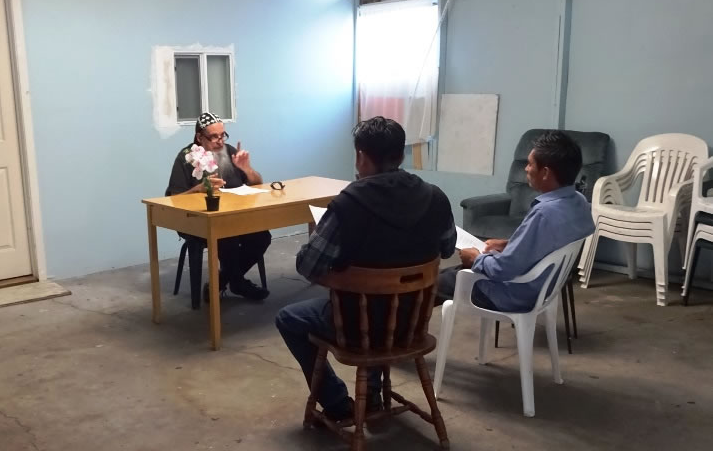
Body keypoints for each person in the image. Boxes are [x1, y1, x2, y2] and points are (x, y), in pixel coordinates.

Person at [275, 116, 456, 421]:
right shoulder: (435, 197)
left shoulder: (348, 205)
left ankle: (336, 403)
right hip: (410, 323)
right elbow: (448, 247)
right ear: (400, 155)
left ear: (361, 156)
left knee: (289, 318)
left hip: (356, 326)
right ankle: (371, 391)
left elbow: (307, 265)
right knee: (379, 306)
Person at [437, 130, 595, 312]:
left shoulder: (544, 213)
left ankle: (414, 327)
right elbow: (548, 243)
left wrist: (476, 258)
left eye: (530, 164)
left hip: (511, 293)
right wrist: (508, 245)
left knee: (431, 284)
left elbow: (503, 269)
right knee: (446, 274)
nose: (526, 169)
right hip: (544, 288)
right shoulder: (579, 202)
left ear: (545, 172)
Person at [166, 112, 270, 301]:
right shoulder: (186, 158)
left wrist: (247, 169)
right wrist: (198, 189)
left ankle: (222, 281)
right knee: (226, 237)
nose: (220, 141)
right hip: (197, 220)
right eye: (214, 137)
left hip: (234, 216)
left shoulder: (229, 151)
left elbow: (257, 183)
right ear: (199, 137)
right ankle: (237, 283)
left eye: (223, 135)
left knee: (262, 237)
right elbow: (174, 199)